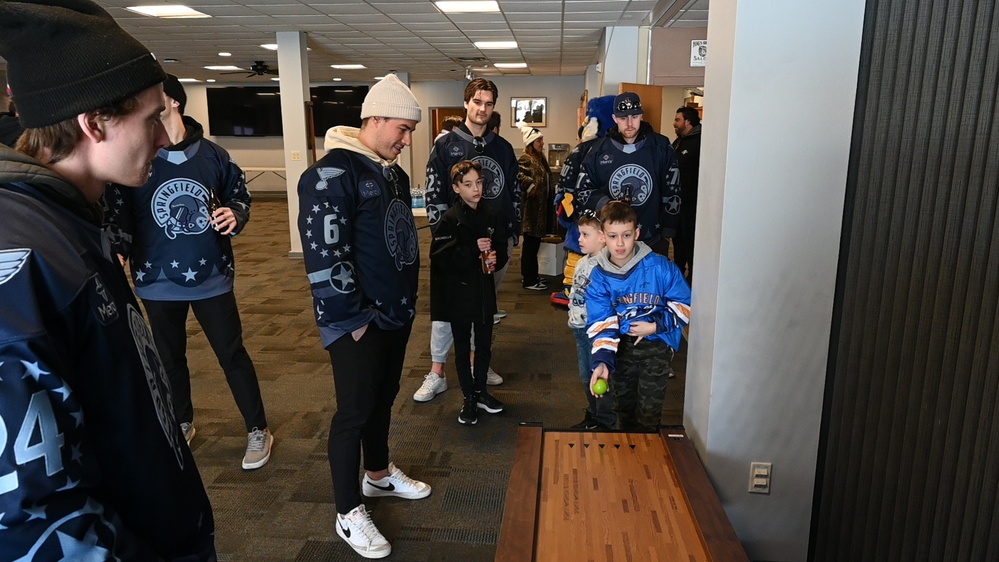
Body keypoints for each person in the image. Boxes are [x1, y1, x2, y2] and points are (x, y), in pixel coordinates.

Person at [0, 0, 215, 559]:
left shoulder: (70, 222)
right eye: (151, 120)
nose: (168, 140)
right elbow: (36, 517)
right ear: (92, 122)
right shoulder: (23, 260)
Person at [103, 74, 273, 469]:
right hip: (157, 279)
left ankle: (257, 429)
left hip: (211, 275)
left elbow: (239, 195)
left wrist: (237, 213)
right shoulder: (136, 156)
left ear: (172, 102)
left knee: (231, 354)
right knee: (168, 358)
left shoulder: (213, 155)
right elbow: (119, 213)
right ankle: (181, 422)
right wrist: (118, 250)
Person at [298, 74, 431, 559]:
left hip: (394, 312)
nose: (407, 139)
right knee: (353, 412)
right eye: (402, 127)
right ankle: (347, 510)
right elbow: (324, 253)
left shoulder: (389, 172)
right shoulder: (330, 174)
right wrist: (353, 319)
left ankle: (377, 476)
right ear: (373, 120)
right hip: (355, 318)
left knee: (383, 398)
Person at [417, 78, 520, 402]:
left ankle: (479, 364)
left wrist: (512, 234)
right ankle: (437, 372)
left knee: (483, 309)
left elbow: (514, 192)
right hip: (455, 248)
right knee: (447, 311)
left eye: (489, 104)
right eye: (477, 102)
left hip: (492, 245)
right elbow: (433, 194)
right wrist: (445, 240)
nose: (482, 109)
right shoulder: (446, 146)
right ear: (466, 103)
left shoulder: (502, 148)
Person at [587, 202, 691, 431]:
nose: (620, 243)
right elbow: (601, 322)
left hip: (656, 347)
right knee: (623, 410)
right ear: (603, 237)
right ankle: (628, 461)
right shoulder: (598, 278)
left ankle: (650, 460)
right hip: (621, 349)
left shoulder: (661, 267)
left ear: (637, 233)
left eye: (626, 235)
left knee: (649, 413)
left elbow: (685, 304)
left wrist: (655, 326)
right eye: (613, 236)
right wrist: (602, 361)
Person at [430, 161, 509, 425]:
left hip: (484, 291)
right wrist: (472, 250)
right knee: (463, 346)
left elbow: (501, 248)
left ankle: (481, 391)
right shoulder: (450, 219)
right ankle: (468, 397)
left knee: (484, 343)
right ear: (456, 188)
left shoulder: (490, 213)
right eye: (468, 184)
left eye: (479, 183)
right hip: (459, 294)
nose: (476, 189)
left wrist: (495, 255)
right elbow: (440, 259)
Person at [575, 92, 681, 257]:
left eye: (634, 116)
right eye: (623, 118)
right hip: (612, 239)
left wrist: (669, 230)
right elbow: (583, 189)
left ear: (641, 116)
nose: (630, 123)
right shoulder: (597, 150)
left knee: (650, 282)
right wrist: (608, 204)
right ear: (615, 118)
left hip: (652, 237)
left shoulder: (661, 146)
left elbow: (673, 190)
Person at [567, 209, 616, 429]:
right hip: (579, 329)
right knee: (585, 376)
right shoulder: (582, 262)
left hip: (595, 332)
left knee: (599, 378)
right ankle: (594, 414)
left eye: (586, 234)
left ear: (602, 237)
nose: (580, 239)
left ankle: (604, 420)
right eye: (580, 234)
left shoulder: (605, 267)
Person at [518, 125, 554, 290]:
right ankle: (529, 279)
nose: (542, 143)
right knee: (530, 246)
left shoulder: (540, 159)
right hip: (532, 210)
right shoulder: (527, 158)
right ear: (531, 142)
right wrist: (530, 186)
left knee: (534, 244)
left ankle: (532, 275)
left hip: (540, 209)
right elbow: (517, 174)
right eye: (539, 140)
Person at [672, 106, 702, 279]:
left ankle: (693, 283)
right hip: (677, 205)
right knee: (679, 245)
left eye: (678, 120)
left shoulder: (700, 142)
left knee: (691, 245)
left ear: (688, 121)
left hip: (692, 205)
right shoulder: (678, 142)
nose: (674, 123)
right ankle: (679, 280)